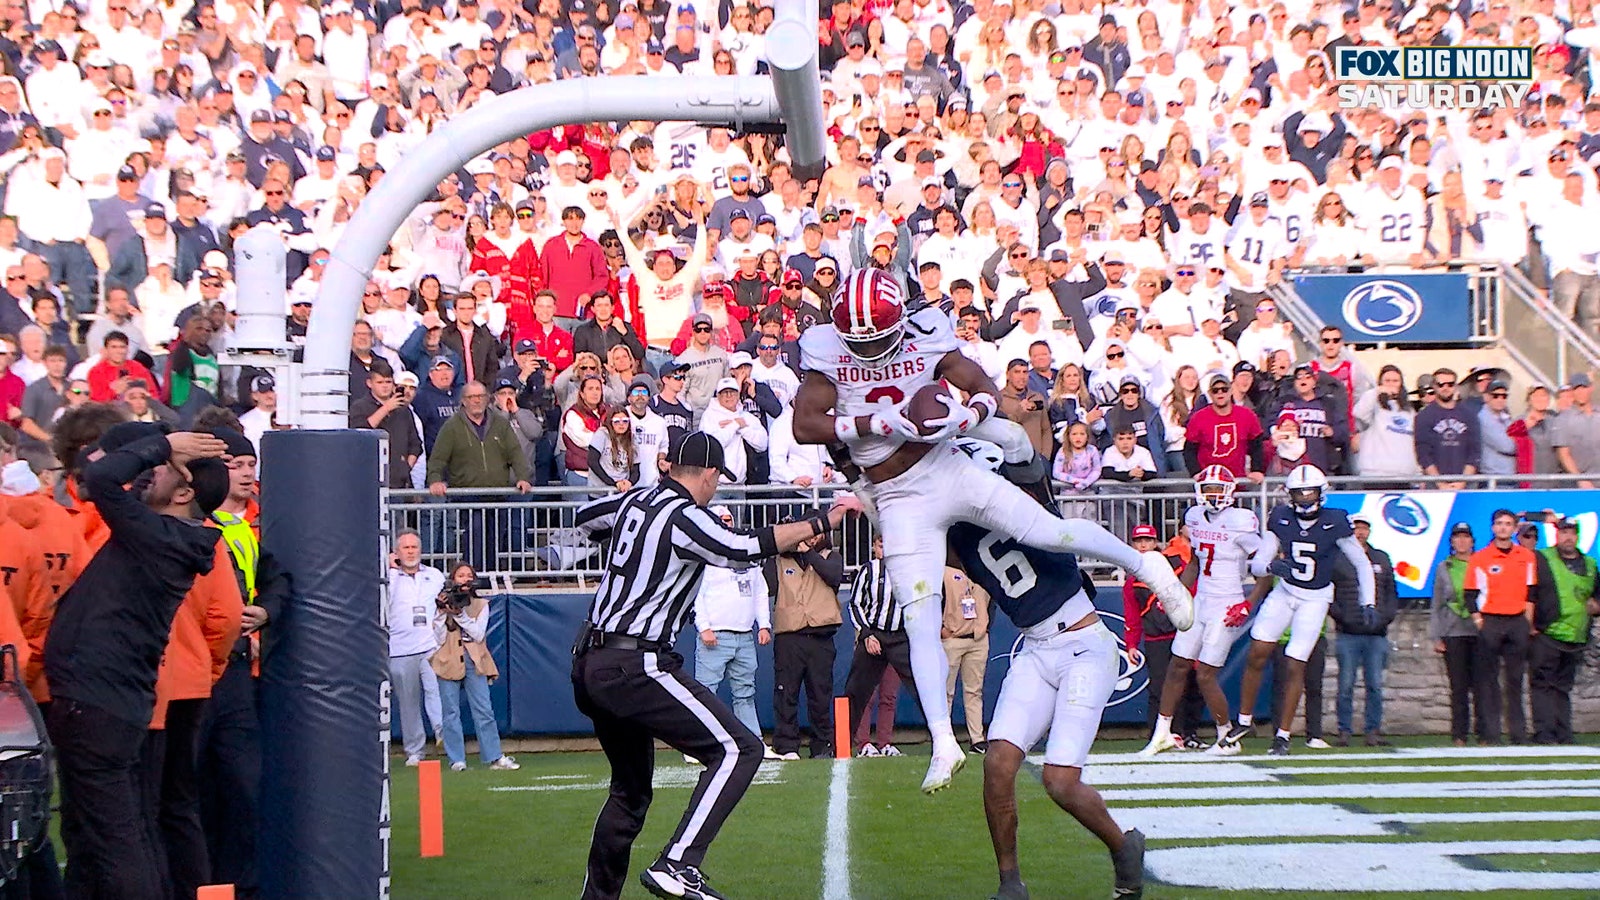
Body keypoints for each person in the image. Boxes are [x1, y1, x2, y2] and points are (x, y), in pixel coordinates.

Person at [791, 268, 1192, 793]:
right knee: (918, 617)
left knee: (1050, 532)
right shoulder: (827, 348)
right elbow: (804, 423)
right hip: (895, 497)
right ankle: (942, 741)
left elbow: (979, 383)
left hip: (947, 467)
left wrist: (968, 414)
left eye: (880, 339)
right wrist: (873, 424)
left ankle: (1149, 566)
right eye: (860, 343)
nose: (871, 353)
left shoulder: (925, 328)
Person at [570, 432, 854, 900]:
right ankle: (678, 863)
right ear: (708, 475)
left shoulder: (638, 500)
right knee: (740, 748)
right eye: (717, 479)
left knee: (631, 794)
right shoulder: (684, 514)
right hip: (634, 661)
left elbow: (586, 518)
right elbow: (742, 548)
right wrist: (821, 520)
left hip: (590, 661)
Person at [945, 441, 1147, 900]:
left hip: (1084, 643)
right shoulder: (957, 531)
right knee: (997, 764)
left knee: (1059, 780)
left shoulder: (1028, 497)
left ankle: (1123, 846)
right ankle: (1010, 883)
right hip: (1036, 648)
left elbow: (1027, 462)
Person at [44, 426, 231, 899]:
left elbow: (102, 477)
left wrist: (165, 445)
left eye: (165, 471)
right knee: (97, 833)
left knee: (114, 837)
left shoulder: (159, 535)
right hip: (107, 697)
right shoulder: (167, 535)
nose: (150, 474)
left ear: (184, 492)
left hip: (98, 698)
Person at [1220, 465, 1375, 756]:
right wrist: (1271, 565)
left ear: (1321, 493)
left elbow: (1362, 563)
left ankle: (1283, 735)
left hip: (1315, 598)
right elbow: (1257, 562)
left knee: (1295, 664)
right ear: (1290, 495)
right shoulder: (1280, 516)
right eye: (1299, 493)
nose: (1304, 498)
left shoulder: (1336, 520)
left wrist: (1369, 600)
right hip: (1285, 592)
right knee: (1257, 651)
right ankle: (1243, 720)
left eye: (1309, 491)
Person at [1141, 466, 1260, 757]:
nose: (1212, 495)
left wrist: (1249, 601)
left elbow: (1265, 566)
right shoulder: (1194, 517)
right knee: (1178, 665)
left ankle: (1227, 737)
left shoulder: (1240, 521)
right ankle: (1162, 734)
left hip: (1228, 603)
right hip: (1202, 600)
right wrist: (1176, 594)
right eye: (1207, 489)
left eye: (1218, 488)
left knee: (1205, 673)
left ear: (1230, 491)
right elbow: (1194, 561)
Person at [691, 506, 774, 756]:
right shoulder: (704, 557)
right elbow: (696, 595)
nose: (726, 523)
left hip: (744, 635)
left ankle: (754, 742)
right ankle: (699, 745)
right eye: (721, 519)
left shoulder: (746, 556)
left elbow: (760, 592)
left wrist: (764, 624)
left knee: (745, 692)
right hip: (715, 634)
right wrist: (703, 627)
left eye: (728, 519)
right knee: (706, 692)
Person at [766, 518, 846, 761]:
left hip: (820, 637)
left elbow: (833, 577)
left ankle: (822, 745)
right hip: (789, 637)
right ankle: (787, 745)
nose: (809, 539)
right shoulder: (779, 560)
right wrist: (784, 540)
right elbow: (768, 585)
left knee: (820, 695)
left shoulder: (830, 557)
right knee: (785, 693)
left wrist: (809, 553)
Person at [431, 560, 519, 771]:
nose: (465, 580)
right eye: (461, 575)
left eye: (469, 576)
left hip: (474, 660)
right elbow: (438, 637)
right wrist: (443, 614)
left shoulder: (481, 605)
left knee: (483, 709)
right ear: (453, 579)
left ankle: (493, 756)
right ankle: (456, 760)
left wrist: (460, 615)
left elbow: (478, 634)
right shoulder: (441, 601)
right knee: (450, 712)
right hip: (448, 659)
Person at [1467, 509, 1539, 745]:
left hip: (1516, 620)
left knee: (1515, 680)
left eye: (1508, 524)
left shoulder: (1526, 556)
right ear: (1492, 527)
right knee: (1488, 681)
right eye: (1499, 523)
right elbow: (1470, 594)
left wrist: (1527, 622)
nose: (1503, 528)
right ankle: (1491, 733)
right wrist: (1479, 621)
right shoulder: (1480, 557)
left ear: (1514, 528)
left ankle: (1518, 734)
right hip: (1491, 621)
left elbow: (1532, 591)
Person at [843, 535, 921, 746]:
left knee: (921, 685)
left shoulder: (911, 570)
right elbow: (855, 604)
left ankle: (942, 739)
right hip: (873, 634)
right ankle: (843, 743)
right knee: (856, 690)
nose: (885, 550)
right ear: (874, 547)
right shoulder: (869, 570)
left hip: (900, 637)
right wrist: (866, 634)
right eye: (880, 545)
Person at [1330, 515, 1400, 747]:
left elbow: (1390, 592)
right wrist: (1344, 617)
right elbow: (1329, 593)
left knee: (1375, 685)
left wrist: (1384, 618)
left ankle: (1373, 730)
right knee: (1346, 684)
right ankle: (1344, 731)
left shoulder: (1380, 557)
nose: (1360, 533)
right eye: (1356, 529)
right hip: (1348, 633)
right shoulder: (1339, 559)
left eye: (1364, 529)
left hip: (1376, 633)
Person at [1530, 517, 1599, 745]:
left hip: (1576, 636)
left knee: (1563, 687)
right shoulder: (1542, 558)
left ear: (1577, 536)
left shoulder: (1590, 564)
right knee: (1543, 685)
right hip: (1546, 632)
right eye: (1563, 532)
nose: (1567, 537)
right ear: (1556, 535)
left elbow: (1597, 595)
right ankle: (1544, 733)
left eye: (1571, 533)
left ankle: (1563, 733)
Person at [388, 530, 445, 766]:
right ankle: (415, 750)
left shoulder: (434, 575)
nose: (411, 551)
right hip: (400, 647)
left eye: (414, 547)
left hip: (431, 645)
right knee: (408, 702)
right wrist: (388, 567)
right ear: (397, 552)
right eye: (406, 548)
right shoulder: (388, 576)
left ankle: (445, 737)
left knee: (438, 692)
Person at [1431, 522, 1485, 746]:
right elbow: (1437, 603)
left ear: (1472, 541)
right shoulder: (1445, 567)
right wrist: (1436, 635)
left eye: (1466, 537)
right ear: (1452, 542)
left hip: (1480, 631)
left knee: (1482, 685)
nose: (1461, 542)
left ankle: (1484, 733)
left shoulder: (1482, 563)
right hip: (1453, 632)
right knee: (1459, 687)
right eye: (1457, 538)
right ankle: (1459, 735)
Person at [942, 560, 991, 754]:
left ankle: (977, 739)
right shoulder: (944, 572)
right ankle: (944, 739)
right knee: (946, 691)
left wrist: (985, 627)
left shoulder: (983, 572)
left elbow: (991, 603)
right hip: (952, 638)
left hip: (978, 639)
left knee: (974, 691)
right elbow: (935, 599)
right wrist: (941, 629)